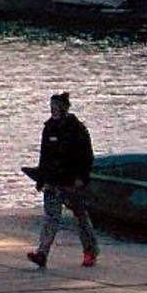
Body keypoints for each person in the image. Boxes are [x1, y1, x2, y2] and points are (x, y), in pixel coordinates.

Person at [28, 90, 98, 269]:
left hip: (72, 183)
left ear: (64, 108)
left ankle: (90, 251)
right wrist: (40, 179)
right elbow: (44, 155)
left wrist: (82, 178)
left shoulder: (77, 130)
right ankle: (42, 253)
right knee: (51, 218)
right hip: (52, 181)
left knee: (81, 217)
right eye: (51, 107)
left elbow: (87, 156)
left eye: (56, 107)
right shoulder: (49, 128)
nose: (53, 111)